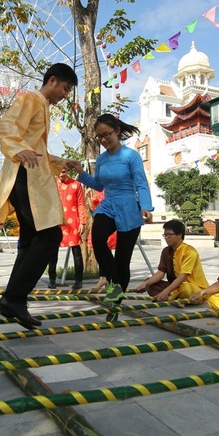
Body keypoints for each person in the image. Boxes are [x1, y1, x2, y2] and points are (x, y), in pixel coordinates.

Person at [0, 63, 78, 330]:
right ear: (52, 81)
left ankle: (15, 300)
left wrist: (63, 163)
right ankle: (14, 298)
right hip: (23, 176)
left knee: (29, 240)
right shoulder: (30, 99)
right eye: (65, 88)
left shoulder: (43, 109)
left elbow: (37, 151)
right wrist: (18, 149)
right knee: (50, 235)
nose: (65, 94)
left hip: (28, 174)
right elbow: (6, 126)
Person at [67, 113, 153, 303]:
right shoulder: (102, 159)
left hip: (129, 207)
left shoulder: (131, 156)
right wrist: (81, 173)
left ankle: (116, 298)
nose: (104, 139)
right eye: (99, 136)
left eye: (107, 134)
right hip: (108, 205)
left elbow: (141, 183)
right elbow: (99, 185)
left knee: (123, 258)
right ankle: (113, 278)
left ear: (117, 131)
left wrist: (146, 207)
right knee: (97, 238)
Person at [135, 219, 209, 305]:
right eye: (165, 235)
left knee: (186, 289)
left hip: (193, 287)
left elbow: (182, 276)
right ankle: (173, 298)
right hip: (175, 287)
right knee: (150, 283)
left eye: (169, 235)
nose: (166, 237)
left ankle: (170, 296)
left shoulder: (190, 252)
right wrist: (145, 284)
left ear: (179, 235)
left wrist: (166, 290)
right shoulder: (166, 251)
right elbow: (160, 272)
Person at [47, 168, 87, 289]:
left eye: (63, 172)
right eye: (58, 171)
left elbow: (81, 203)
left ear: (67, 171)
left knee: (77, 252)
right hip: (55, 222)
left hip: (73, 221)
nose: (61, 174)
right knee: (53, 252)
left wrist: (83, 222)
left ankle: (78, 281)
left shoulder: (76, 184)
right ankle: (52, 280)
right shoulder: (51, 184)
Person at [86, 189, 116, 291]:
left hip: (112, 222)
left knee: (106, 251)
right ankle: (104, 278)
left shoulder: (113, 188)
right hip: (101, 223)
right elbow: (93, 208)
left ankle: (111, 279)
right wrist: (89, 197)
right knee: (99, 249)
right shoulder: (97, 190)